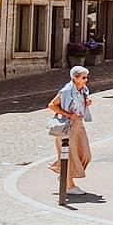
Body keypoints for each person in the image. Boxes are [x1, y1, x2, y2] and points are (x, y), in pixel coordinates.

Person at [48, 66, 93, 194]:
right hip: (67, 126)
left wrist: (87, 102)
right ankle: (69, 185)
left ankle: (64, 175)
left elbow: (79, 104)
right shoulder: (66, 91)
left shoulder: (83, 90)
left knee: (85, 155)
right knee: (69, 155)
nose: (86, 80)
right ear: (75, 78)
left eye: (86, 77)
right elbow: (51, 105)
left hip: (79, 125)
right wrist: (68, 115)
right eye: (83, 77)